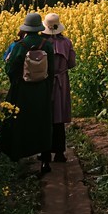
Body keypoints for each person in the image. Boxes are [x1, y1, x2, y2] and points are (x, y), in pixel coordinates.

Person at [0, 12, 55, 174]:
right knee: (42, 123)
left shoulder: (20, 45)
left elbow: (10, 68)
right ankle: (45, 162)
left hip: (21, 90)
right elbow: (52, 69)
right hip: (42, 90)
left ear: (26, 28)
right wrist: (47, 87)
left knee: (11, 121)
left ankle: (4, 157)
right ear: (38, 28)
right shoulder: (47, 45)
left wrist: (16, 81)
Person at [40, 12, 77, 164]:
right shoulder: (67, 42)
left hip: (46, 82)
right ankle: (60, 154)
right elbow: (72, 64)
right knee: (59, 117)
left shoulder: (41, 43)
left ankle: (45, 154)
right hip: (61, 82)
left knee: (46, 117)